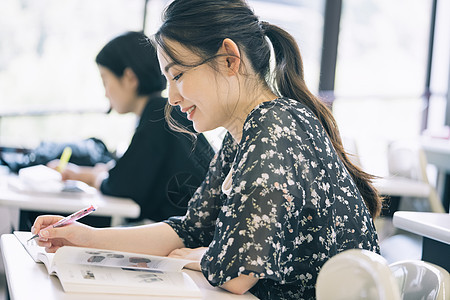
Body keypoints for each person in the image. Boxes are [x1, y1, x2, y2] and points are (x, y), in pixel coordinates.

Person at [33, 1, 382, 299]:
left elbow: (237, 273)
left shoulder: (273, 126)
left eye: (179, 75)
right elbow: (190, 230)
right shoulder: (243, 132)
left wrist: (203, 257)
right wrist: (87, 238)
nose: (171, 97)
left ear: (229, 59)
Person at [45, 31, 215, 223]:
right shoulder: (160, 112)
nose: (106, 93)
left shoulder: (158, 115)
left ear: (130, 78)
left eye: (105, 81)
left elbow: (123, 186)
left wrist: (91, 177)